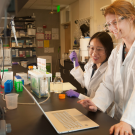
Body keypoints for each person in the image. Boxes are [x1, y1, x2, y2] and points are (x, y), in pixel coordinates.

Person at [77, 0, 135, 135]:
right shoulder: (116, 52)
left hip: (129, 121)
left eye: (115, 22)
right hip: (120, 122)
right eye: (108, 24)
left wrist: (128, 120)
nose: (112, 28)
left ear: (131, 18)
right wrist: (96, 103)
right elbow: (108, 85)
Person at [66, 32, 113, 102]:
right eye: (92, 48)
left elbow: (101, 102)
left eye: (99, 49)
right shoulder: (91, 63)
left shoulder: (110, 71)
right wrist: (75, 64)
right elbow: (85, 81)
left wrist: (79, 96)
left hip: (102, 111)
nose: (94, 53)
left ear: (108, 51)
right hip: (90, 107)